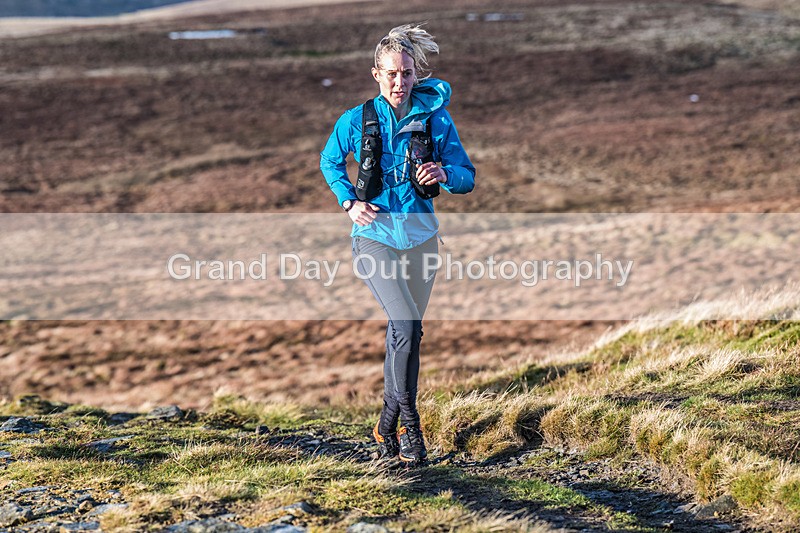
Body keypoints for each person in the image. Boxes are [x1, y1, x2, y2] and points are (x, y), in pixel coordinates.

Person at [319, 23, 475, 464]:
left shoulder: (436, 119)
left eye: (406, 73)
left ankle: (385, 426)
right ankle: (411, 425)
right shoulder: (354, 121)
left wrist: (445, 174)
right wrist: (348, 201)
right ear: (375, 74)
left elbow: (467, 176)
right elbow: (329, 161)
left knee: (405, 334)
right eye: (390, 73)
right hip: (373, 239)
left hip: (422, 240)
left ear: (415, 74)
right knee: (406, 326)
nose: (399, 82)